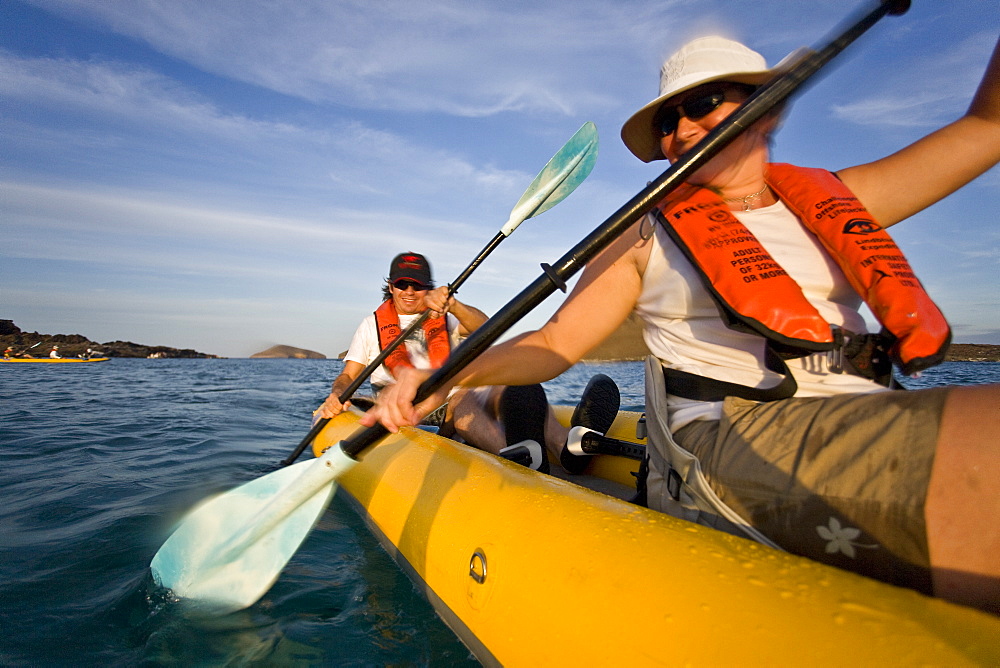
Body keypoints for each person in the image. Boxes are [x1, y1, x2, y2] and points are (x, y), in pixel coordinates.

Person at [363, 35, 1000, 614]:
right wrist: (443, 377)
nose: (684, 130)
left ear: (768, 108)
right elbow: (555, 342)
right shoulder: (645, 232)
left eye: (707, 104)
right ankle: (539, 448)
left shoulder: (838, 195)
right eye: (669, 120)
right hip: (728, 437)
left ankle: (554, 445)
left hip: (867, 408)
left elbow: (986, 127)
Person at [314, 252, 575, 471]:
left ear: (428, 288)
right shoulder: (370, 326)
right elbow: (348, 376)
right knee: (464, 401)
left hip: (449, 395)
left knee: (509, 385)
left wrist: (453, 304)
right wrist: (338, 394)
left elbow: (485, 328)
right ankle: (518, 461)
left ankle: (564, 445)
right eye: (402, 284)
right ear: (391, 286)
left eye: (417, 285)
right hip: (408, 405)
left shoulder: (443, 316)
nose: (409, 291)